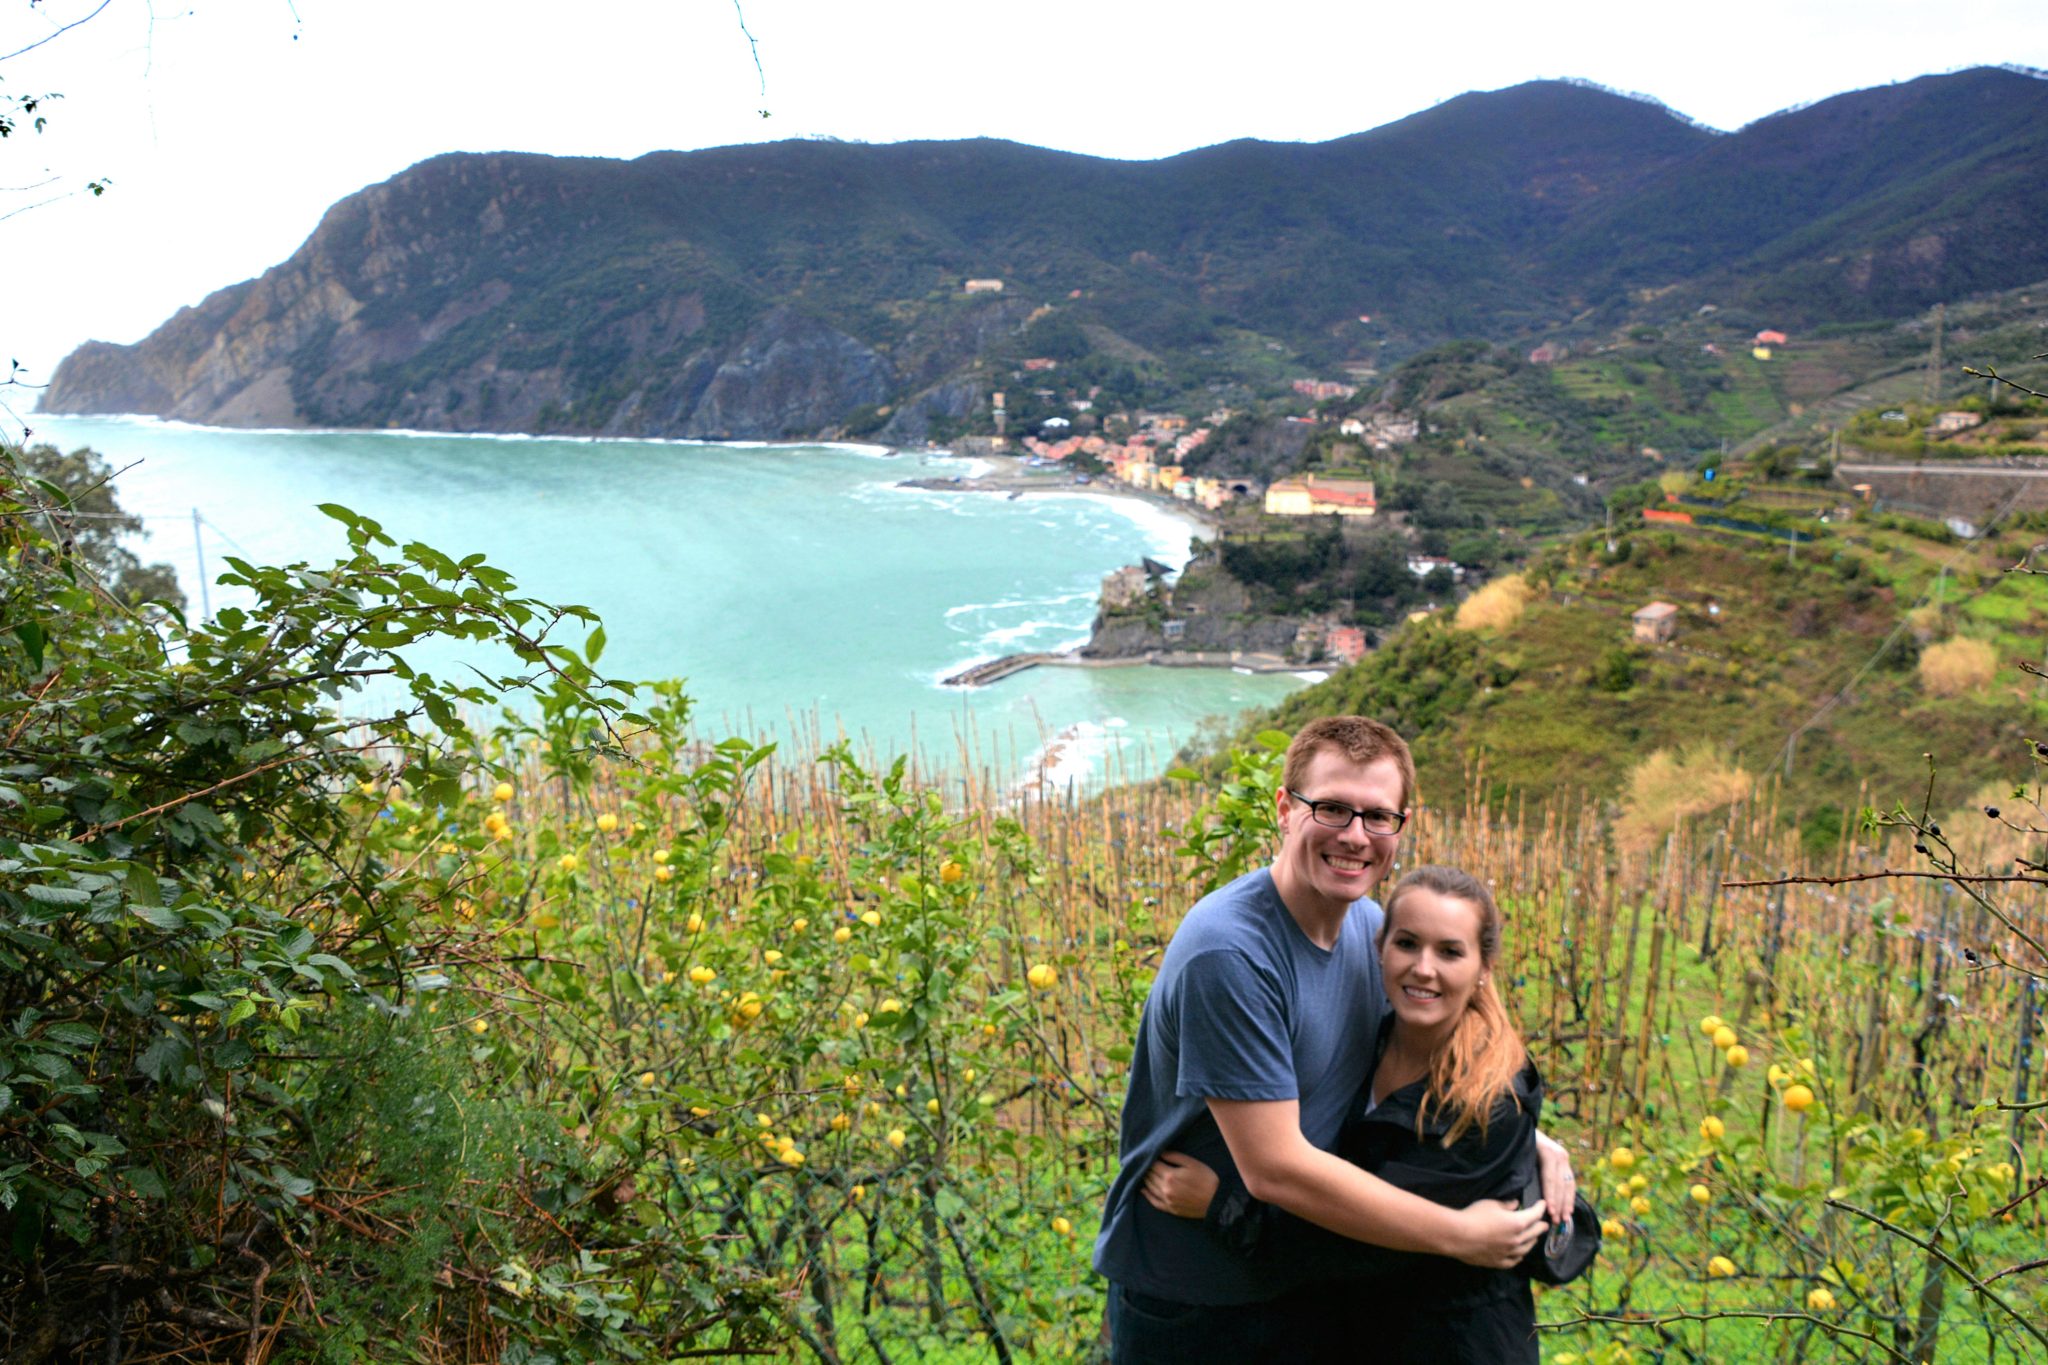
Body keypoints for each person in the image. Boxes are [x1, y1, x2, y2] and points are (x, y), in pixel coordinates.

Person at [1091, 717, 1570, 1361]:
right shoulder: (1233, 953)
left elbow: (1419, 1062)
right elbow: (1277, 1169)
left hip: (1301, 1278)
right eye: (1333, 808)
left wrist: (1528, 1135)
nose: (1355, 836)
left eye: (1378, 816)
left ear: (1400, 826)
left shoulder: (1370, 930)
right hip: (1199, 1302)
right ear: (1286, 811)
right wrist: (1460, 1233)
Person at [1141, 865, 1548, 1363]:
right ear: (1378, 949)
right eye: (1407, 943)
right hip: (1367, 1334)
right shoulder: (1369, 1040)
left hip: (1457, 1345)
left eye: (1450, 952)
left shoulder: (1492, 1102)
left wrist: (1224, 1205)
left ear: (1484, 968)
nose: (1423, 968)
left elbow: (1365, 1244)